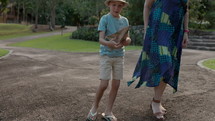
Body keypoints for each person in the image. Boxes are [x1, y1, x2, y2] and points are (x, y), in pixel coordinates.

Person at [127, 0, 189, 120]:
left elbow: (186, 9)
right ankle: (156, 102)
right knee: (165, 63)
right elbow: (147, 5)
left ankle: (157, 100)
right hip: (158, 28)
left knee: (169, 67)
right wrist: (146, 29)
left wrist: (186, 31)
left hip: (175, 31)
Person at [86, 0, 131, 121]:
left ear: (122, 7)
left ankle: (108, 112)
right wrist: (109, 44)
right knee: (104, 84)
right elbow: (101, 39)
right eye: (114, 5)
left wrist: (127, 41)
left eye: (119, 5)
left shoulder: (124, 21)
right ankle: (94, 108)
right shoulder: (105, 19)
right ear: (109, 5)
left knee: (116, 85)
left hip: (119, 56)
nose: (116, 8)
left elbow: (127, 38)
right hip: (106, 55)